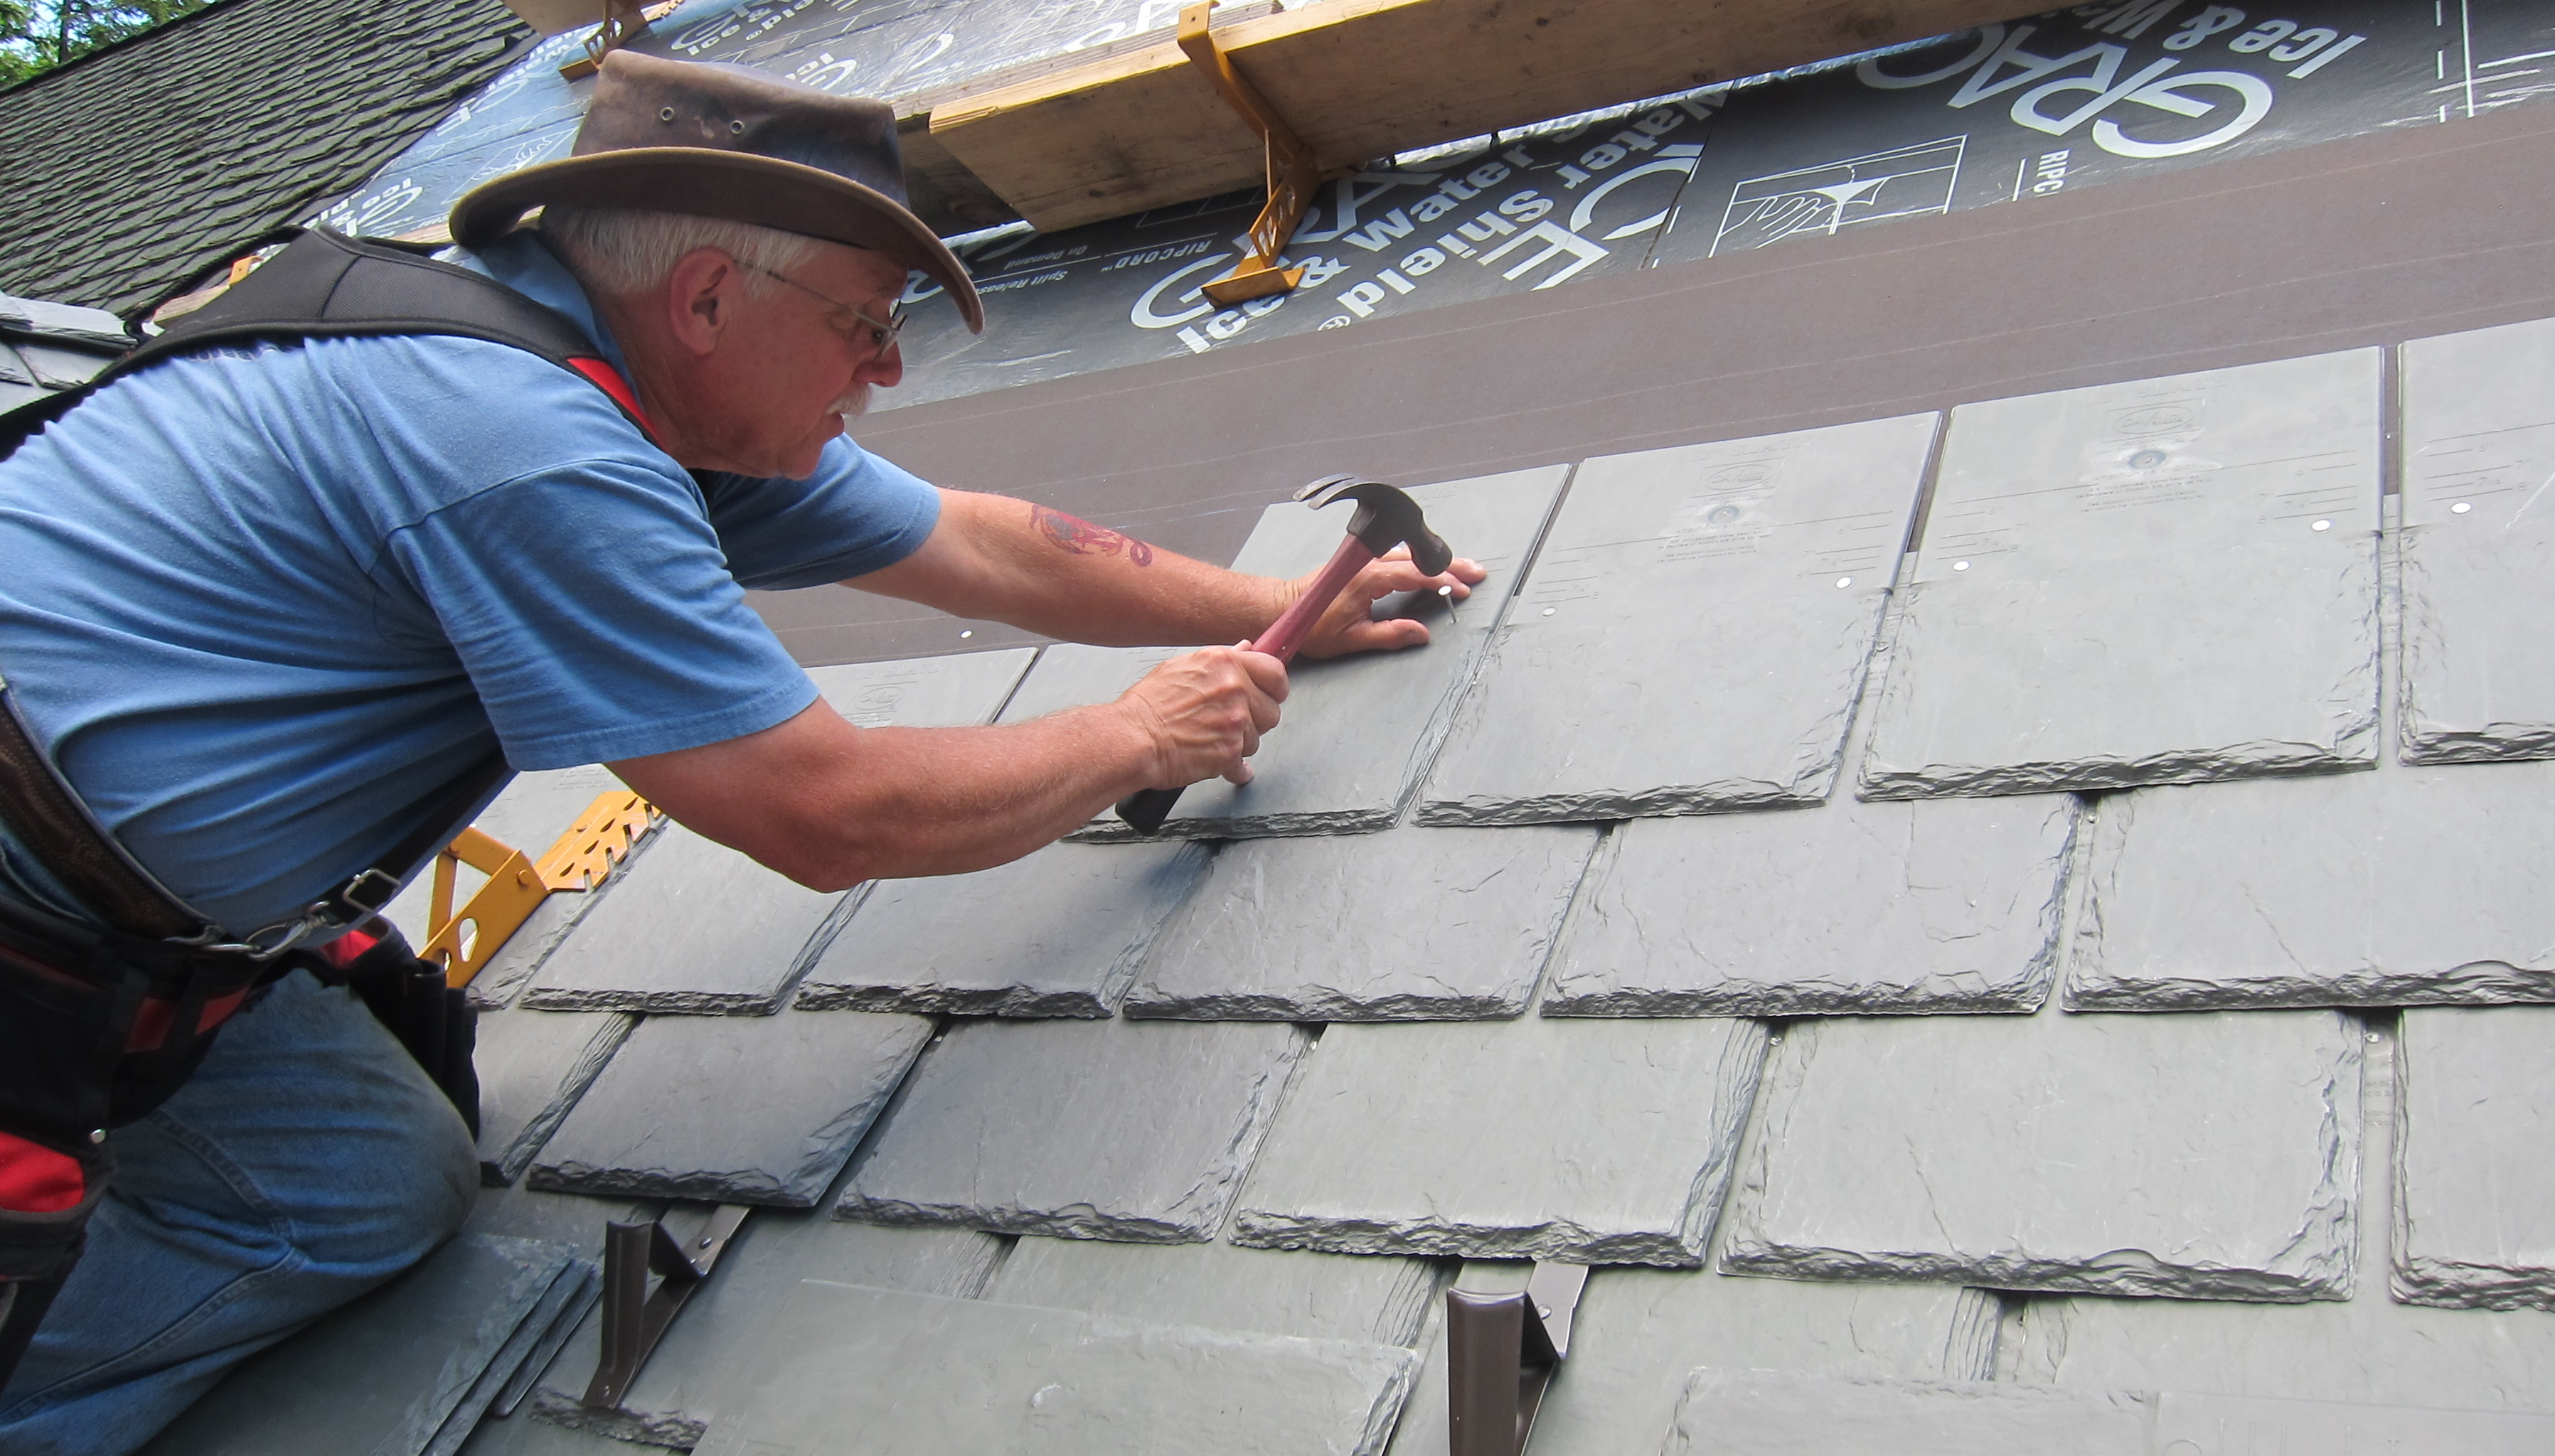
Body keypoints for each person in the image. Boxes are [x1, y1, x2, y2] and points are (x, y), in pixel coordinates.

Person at [0, 51, 1481, 1455]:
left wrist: (1304, 605)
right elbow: (821, 813)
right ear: (707, 296)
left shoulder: (637, 396)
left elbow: (980, 544)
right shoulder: (524, 441)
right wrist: (1133, 731)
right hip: (30, 905)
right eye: (866, 323)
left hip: (143, 922)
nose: (886, 370)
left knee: (356, 1191)